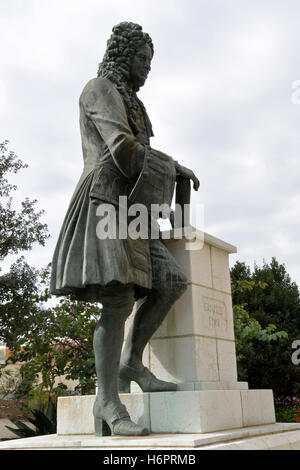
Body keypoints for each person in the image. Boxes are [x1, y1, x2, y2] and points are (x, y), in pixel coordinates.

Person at [50, 22, 199, 436]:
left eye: (150, 61)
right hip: (104, 201)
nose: (147, 68)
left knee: (170, 281)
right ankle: (107, 401)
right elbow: (122, 148)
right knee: (116, 300)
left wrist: (171, 169)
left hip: (133, 207)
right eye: (142, 59)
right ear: (123, 55)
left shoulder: (134, 102)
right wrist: (174, 167)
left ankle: (131, 362)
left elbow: (143, 154)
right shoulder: (99, 88)